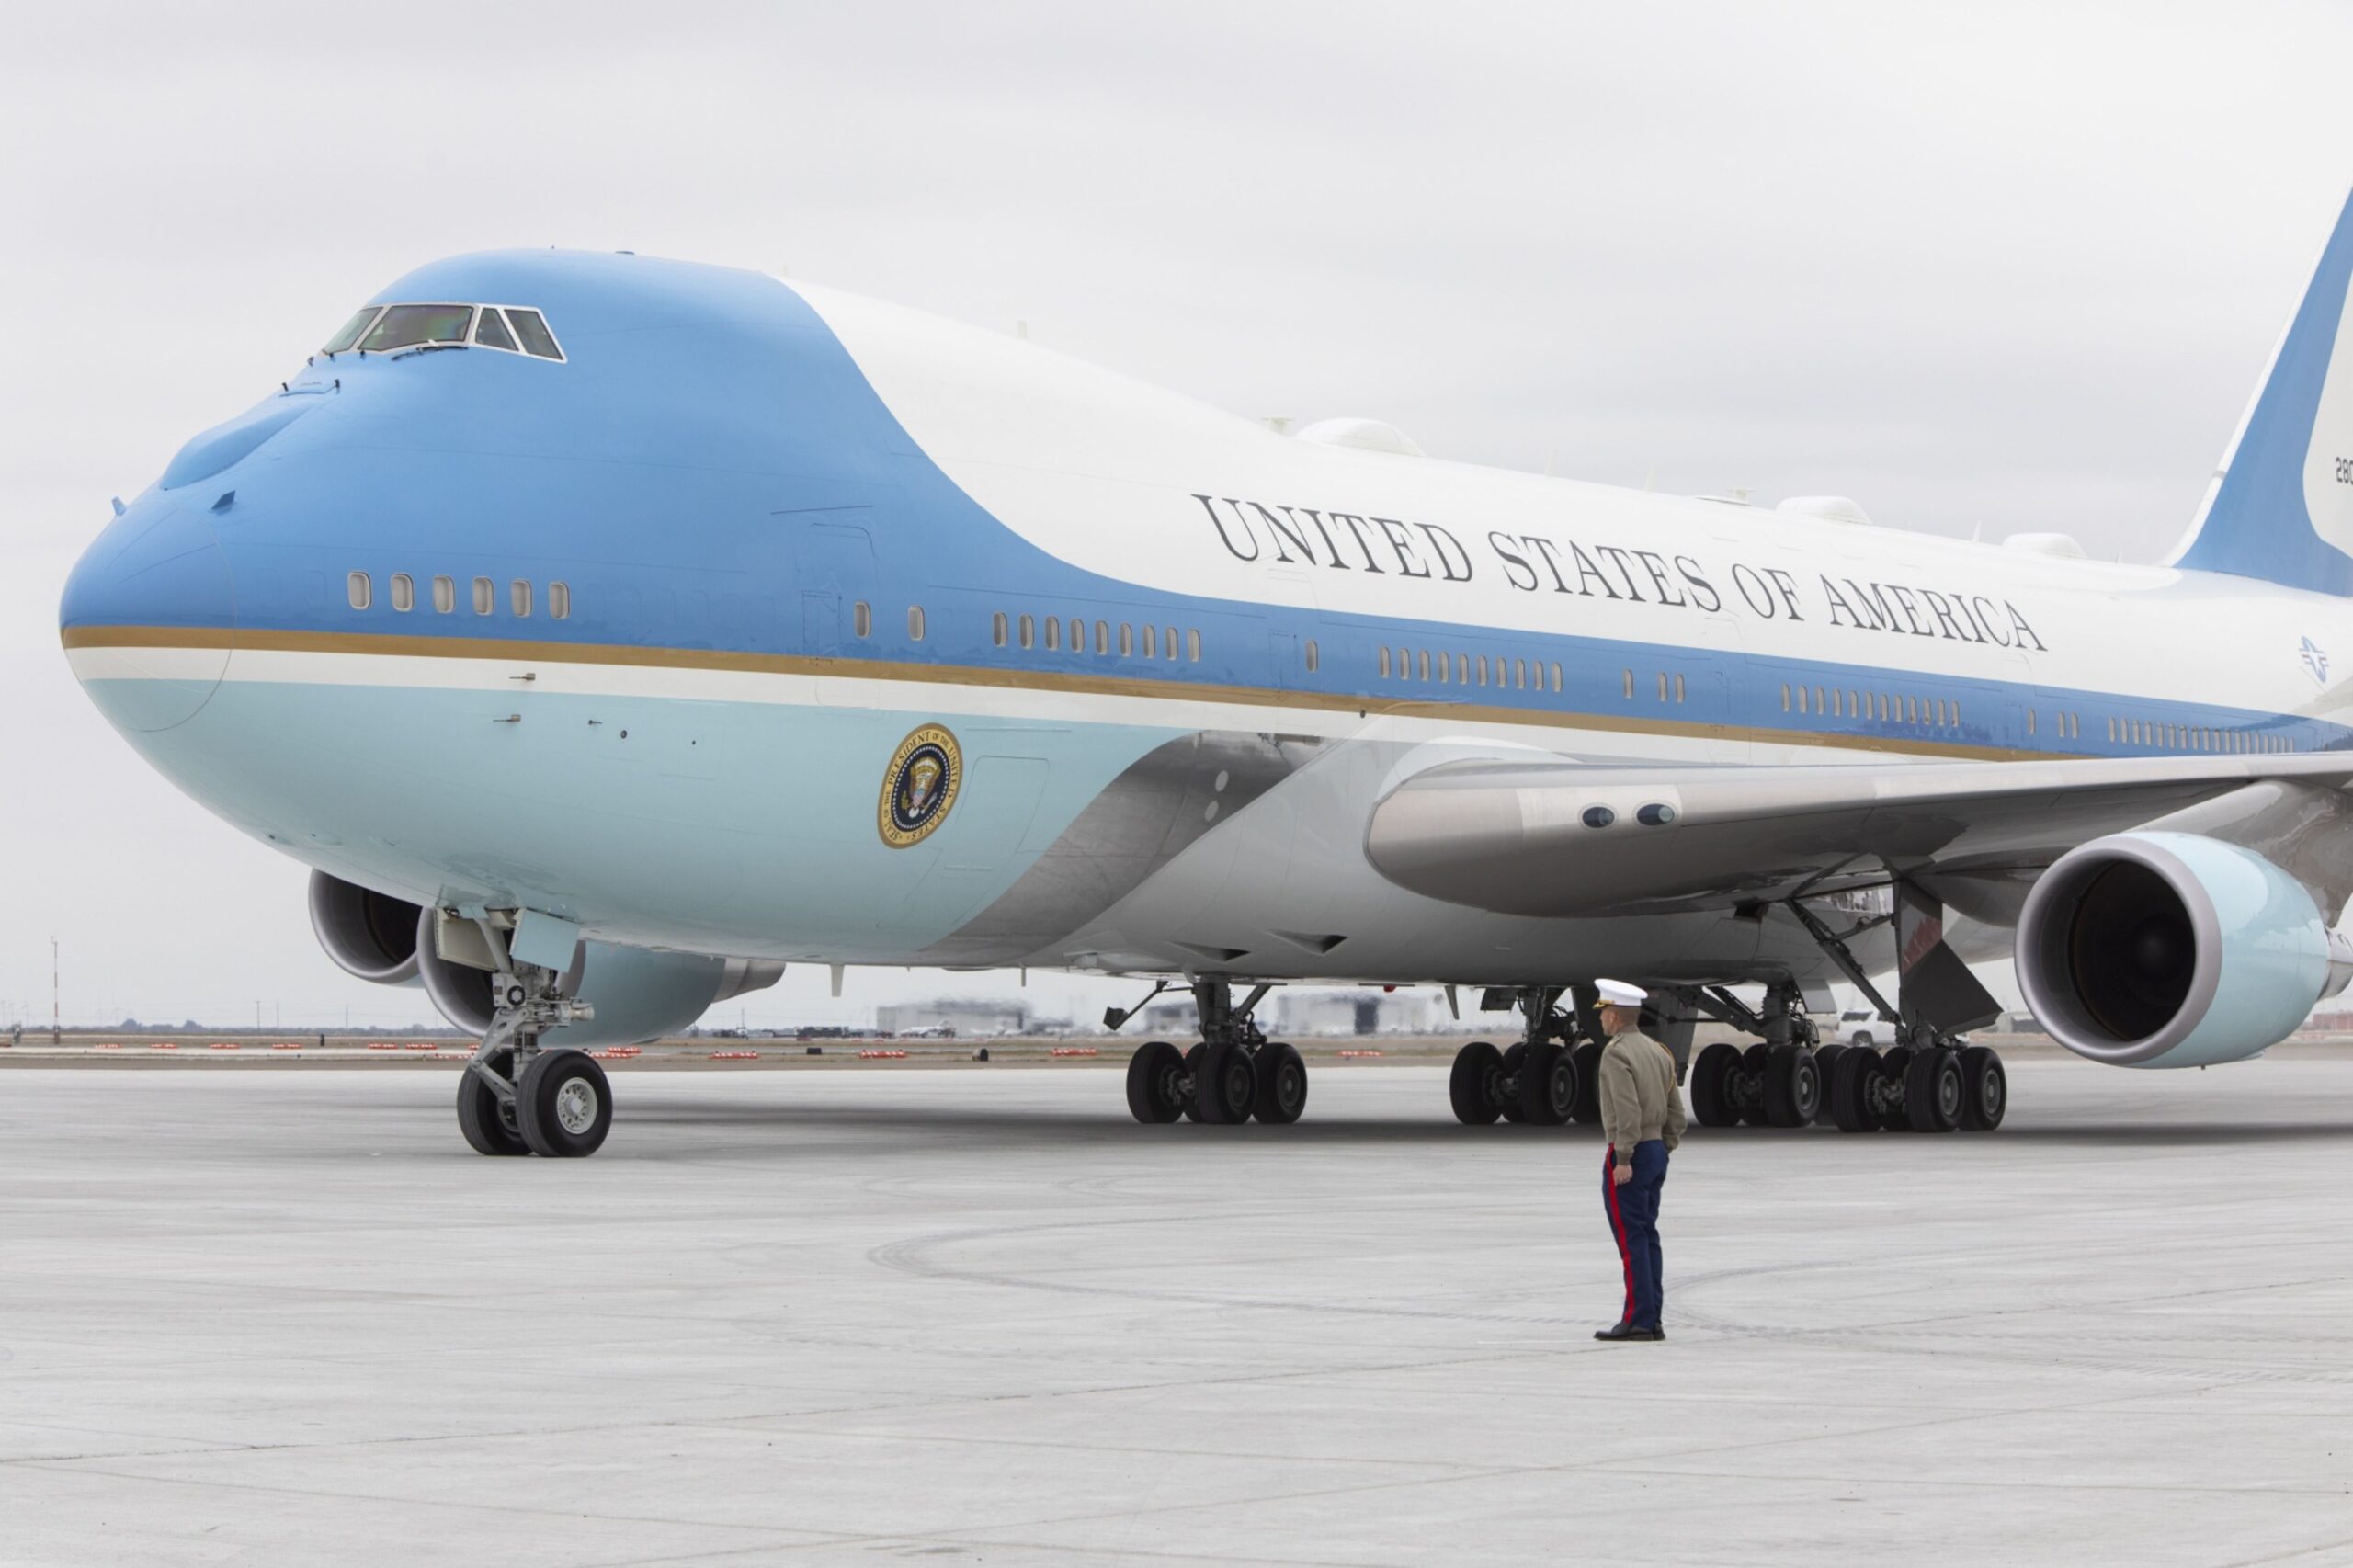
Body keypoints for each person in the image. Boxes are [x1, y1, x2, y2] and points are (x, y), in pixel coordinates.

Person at [1590, 978, 1685, 1343]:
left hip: (1631, 1153)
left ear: (1614, 1016)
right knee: (1647, 1236)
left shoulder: (1617, 1053)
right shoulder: (1658, 1051)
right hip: (1656, 1150)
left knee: (1632, 1241)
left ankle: (1638, 1320)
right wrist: (1663, 1146)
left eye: (1603, 1012)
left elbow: (1626, 1111)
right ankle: (1652, 1317)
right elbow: (1676, 1112)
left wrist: (1624, 1157)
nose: (1601, 1019)